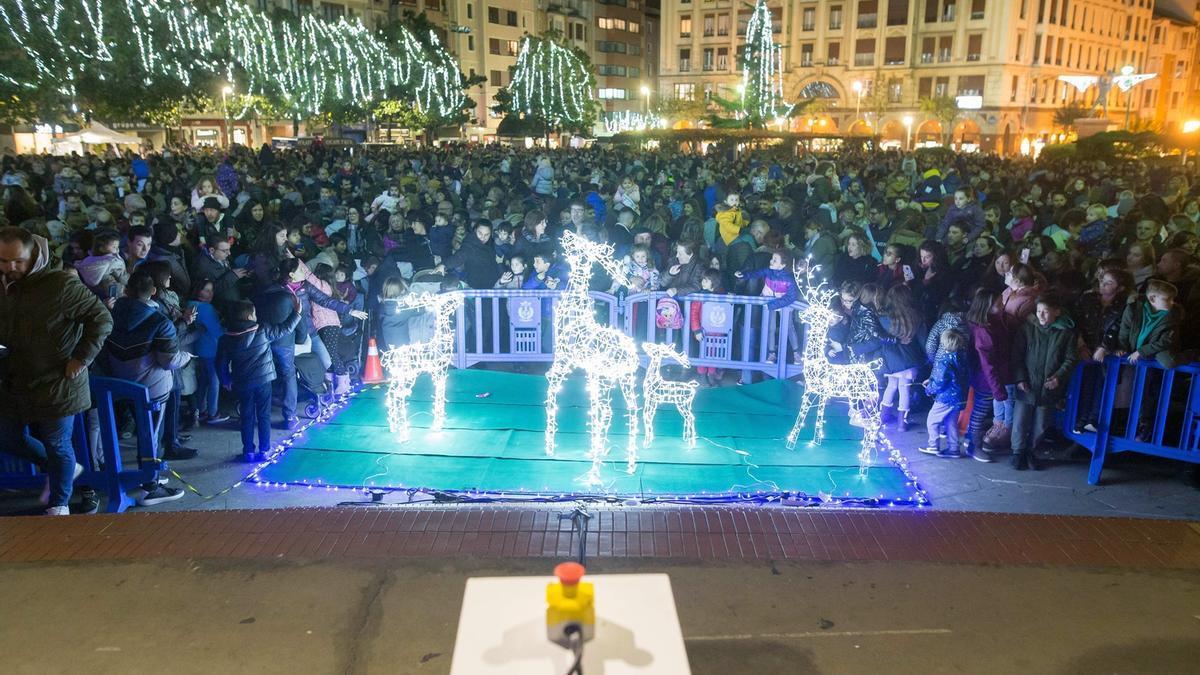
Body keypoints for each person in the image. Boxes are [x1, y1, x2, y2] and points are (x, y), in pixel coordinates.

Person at [0, 227, 112, 515]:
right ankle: (62, 469)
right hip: (17, 380)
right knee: (9, 437)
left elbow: (100, 318)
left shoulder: (60, 285)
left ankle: (58, 506)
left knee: (57, 443)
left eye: (17, 261)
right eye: (3, 260)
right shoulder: (5, 285)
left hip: (60, 380)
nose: (11, 267)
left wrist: (81, 358)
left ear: (34, 255)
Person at [101, 270, 192, 503]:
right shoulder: (159, 321)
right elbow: (169, 360)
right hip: (151, 389)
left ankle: (148, 475)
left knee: (144, 434)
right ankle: (149, 486)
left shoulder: (111, 313)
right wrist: (187, 356)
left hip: (119, 384)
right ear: (153, 291)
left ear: (127, 290)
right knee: (151, 435)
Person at [217, 298, 302, 462]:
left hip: (242, 382)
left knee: (246, 416)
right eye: (254, 312)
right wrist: (296, 313)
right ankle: (265, 450)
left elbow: (221, 362)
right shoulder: (262, 330)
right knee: (264, 415)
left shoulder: (226, 338)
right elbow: (285, 329)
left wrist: (225, 379)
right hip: (263, 381)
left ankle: (248, 452)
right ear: (249, 317)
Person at [1011, 295, 1078, 470]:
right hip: (1028, 383)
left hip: (1049, 385)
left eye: (1045, 311)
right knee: (1020, 419)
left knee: (1041, 422)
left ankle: (1031, 450)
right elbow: (1017, 356)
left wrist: (1059, 377)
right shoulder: (1027, 328)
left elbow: (1070, 358)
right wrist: (1020, 378)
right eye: (1038, 311)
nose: (1041, 315)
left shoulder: (1066, 333)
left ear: (1057, 312)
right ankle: (1017, 452)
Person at [919, 329, 970, 459]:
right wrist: (931, 380)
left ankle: (933, 446)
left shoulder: (944, 360)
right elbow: (951, 377)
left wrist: (929, 388)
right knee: (951, 422)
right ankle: (954, 449)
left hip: (946, 398)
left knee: (932, 420)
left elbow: (940, 381)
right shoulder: (962, 358)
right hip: (959, 398)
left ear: (944, 343)